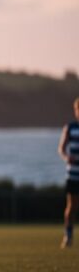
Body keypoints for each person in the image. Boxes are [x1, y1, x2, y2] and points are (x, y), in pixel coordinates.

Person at [57, 98, 79, 248]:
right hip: (73, 174)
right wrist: (67, 157)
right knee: (72, 206)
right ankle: (68, 235)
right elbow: (61, 149)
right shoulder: (70, 128)